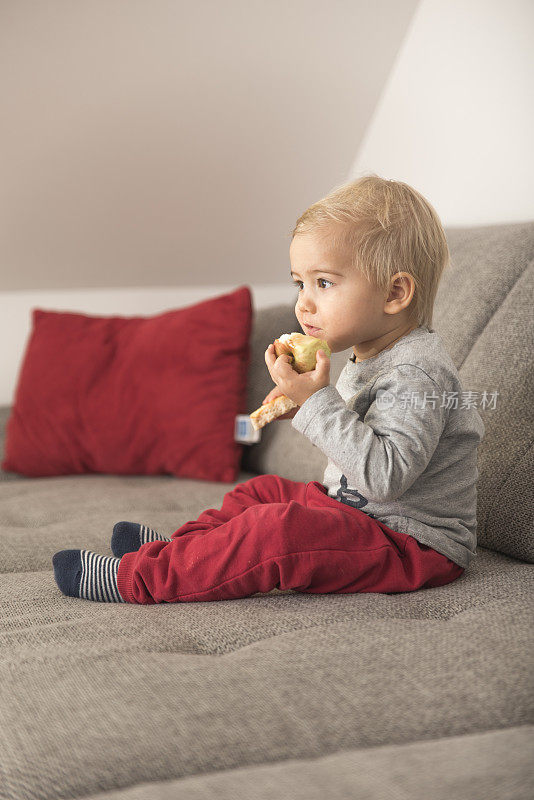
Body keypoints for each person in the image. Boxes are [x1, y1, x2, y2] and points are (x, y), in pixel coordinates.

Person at [52, 174, 484, 604]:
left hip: (410, 545)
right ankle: (180, 553)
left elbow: (383, 477)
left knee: (278, 531)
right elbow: (361, 438)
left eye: (324, 283)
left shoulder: (418, 373)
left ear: (394, 292)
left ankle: (145, 578)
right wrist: (301, 406)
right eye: (300, 283)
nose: (304, 303)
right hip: (359, 516)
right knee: (260, 492)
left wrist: (316, 402)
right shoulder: (369, 352)